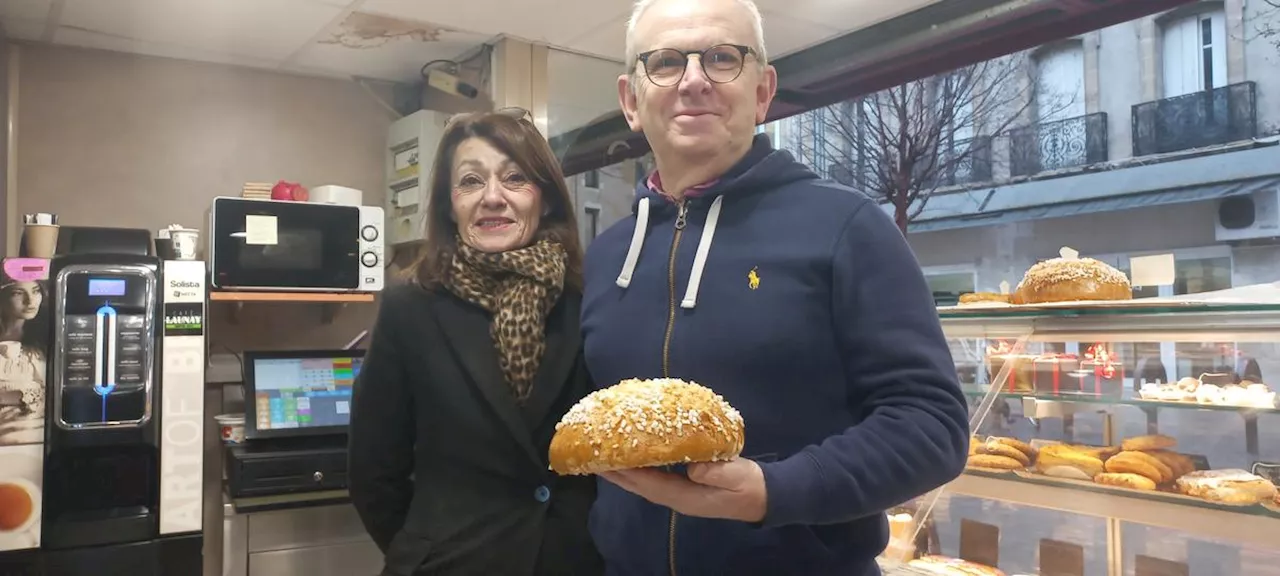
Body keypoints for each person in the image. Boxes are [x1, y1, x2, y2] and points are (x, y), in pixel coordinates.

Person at [578, 0, 971, 574]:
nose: (693, 81)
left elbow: (932, 425)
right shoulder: (609, 252)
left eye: (721, 58)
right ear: (631, 101)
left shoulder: (847, 228)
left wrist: (776, 490)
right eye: (664, 62)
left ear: (762, 92)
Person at [348, 109, 602, 576]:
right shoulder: (410, 307)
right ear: (449, 204)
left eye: (515, 178)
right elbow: (373, 471)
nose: (492, 197)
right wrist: (424, 551)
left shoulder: (587, 300)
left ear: (544, 199)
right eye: (470, 181)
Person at [0, 271, 47, 446]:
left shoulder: (46, 339)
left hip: (41, 437)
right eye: (18, 293)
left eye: (36, 291)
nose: (30, 301)